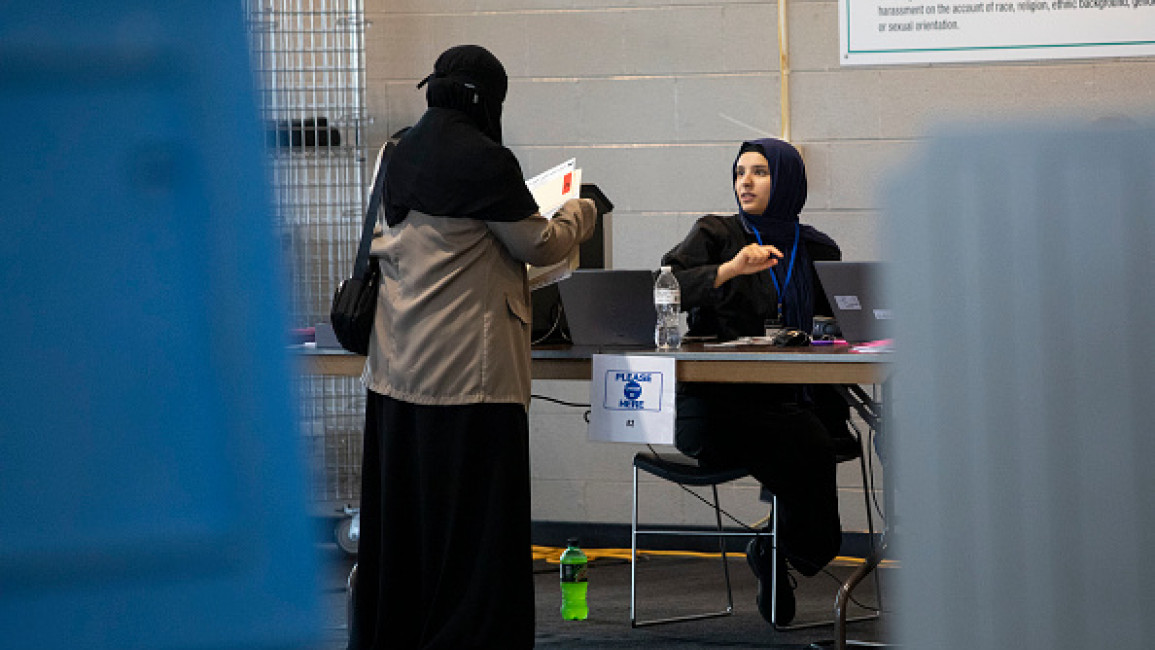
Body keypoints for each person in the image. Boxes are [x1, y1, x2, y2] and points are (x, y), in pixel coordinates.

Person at [349, 45, 597, 649]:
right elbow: (536, 243)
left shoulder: (396, 153)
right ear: (487, 98)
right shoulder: (486, 162)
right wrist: (581, 211)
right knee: (475, 534)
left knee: (407, 528)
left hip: (395, 376)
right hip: (470, 380)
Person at [660, 137, 848, 626]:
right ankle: (775, 546)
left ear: (786, 180)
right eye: (740, 171)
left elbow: (840, 319)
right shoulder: (715, 234)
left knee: (812, 437)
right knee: (806, 444)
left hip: (799, 403)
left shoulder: (816, 248)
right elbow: (665, 290)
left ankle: (775, 545)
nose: (745, 180)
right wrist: (730, 269)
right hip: (720, 407)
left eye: (760, 171)